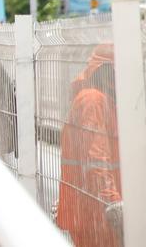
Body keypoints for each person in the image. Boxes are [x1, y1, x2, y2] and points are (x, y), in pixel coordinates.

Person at [56, 44, 122, 247]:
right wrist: (113, 203)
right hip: (98, 213)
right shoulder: (94, 101)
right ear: (106, 71)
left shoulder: (99, 100)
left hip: (93, 211)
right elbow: (97, 158)